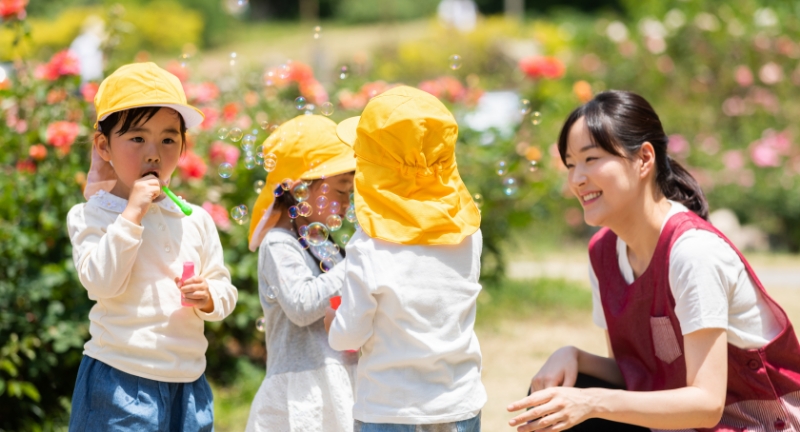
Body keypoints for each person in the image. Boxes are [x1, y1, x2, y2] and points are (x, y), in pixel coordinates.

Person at [507, 90, 800, 431]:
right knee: (559, 394)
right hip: (683, 425)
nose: (577, 179)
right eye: (571, 164)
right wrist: (573, 355)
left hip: (756, 424)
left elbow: (707, 404)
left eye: (591, 159)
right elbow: (636, 374)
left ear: (644, 158)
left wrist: (591, 402)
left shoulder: (693, 253)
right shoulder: (603, 252)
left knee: (584, 401)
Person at [67, 62, 238, 431]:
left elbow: (225, 288)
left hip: (189, 383)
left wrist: (209, 296)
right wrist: (131, 215)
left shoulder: (195, 219)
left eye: (168, 139)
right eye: (137, 138)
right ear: (104, 146)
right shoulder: (91, 216)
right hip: (120, 380)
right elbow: (101, 283)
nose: (153, 153)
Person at [326, 86, 486, 431]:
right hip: (459, 404)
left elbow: (349, 335)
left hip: (389, 410)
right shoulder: (469, 233)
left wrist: (334, 327)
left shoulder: (368, 246)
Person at [245, 115, 358, 432]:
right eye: (340, 190)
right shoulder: (279, 243)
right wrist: (357, 261)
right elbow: (302, 304)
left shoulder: (323, 241)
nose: (347, 202)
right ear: (301, 190)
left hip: (340, 380)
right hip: (301, 393)